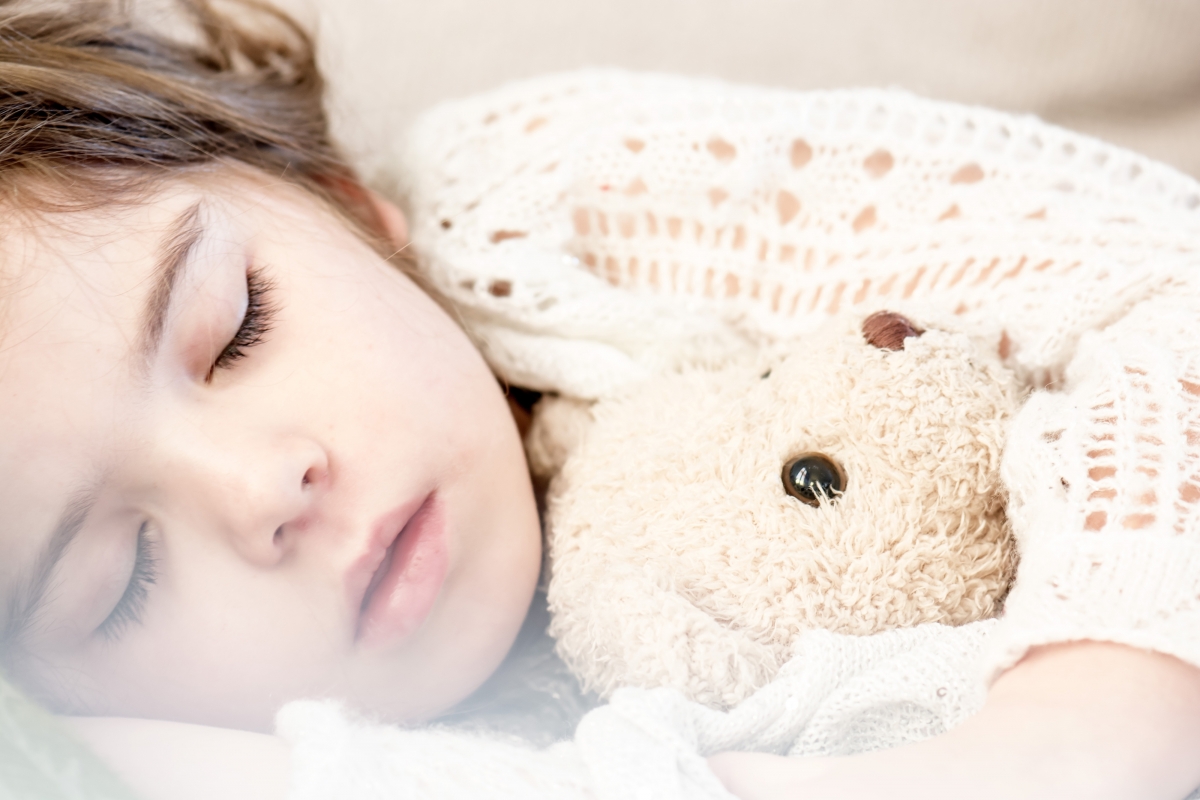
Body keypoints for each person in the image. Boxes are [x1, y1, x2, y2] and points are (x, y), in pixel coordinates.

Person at [0, 2, 1198, 799]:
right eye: (126, 577)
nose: (264, 486)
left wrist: (1114, 697)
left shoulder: (543, 198)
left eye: (239, 328)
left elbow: (1159, 268)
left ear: (343, 202)